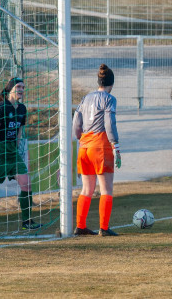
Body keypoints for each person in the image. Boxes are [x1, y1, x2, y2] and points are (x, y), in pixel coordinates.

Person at [0, 77, 42, 233]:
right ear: (11, 89)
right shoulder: (1, 107)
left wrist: (17, 148)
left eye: (23, 87)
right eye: (18, 87)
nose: (21, 90)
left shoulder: (22, 109)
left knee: (27, 184)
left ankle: (27, 221)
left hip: (13, 153)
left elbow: (19, 131)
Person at [72, 64, 121, 236]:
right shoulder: (109, 99)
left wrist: (80, 137)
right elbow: (109, 123)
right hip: (100, 145)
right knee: (106, 188)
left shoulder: (86, 98)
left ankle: (80, 226)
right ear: (111, 84)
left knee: (86, 189)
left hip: (84, 146)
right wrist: (115, 144)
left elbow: (76, 122)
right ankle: (104, 228)